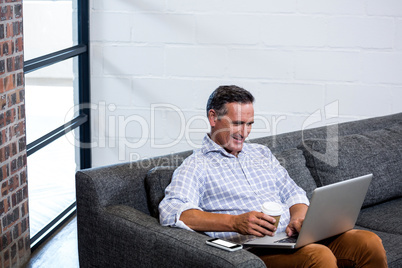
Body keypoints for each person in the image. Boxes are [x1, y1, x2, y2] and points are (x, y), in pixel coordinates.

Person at [159, 85, 387, 267]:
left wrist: (299, 219)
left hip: (289, 239)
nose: (244, 133)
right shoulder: (197, 164)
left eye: (249, 124)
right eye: (237, 123)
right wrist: (234, 222)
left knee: (367, 242)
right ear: (213, 117)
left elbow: (293, 193)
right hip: (254, 250)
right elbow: (171, 211)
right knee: (317, 256)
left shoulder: (261, 153)